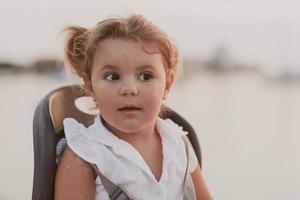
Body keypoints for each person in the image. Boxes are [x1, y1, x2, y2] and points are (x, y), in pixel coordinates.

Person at [55, 14, 213, 200]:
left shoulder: (178, 144)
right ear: (90, 85)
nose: (129, 89)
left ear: (167, 85)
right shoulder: (85, 156)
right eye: (112, 77)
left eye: (145, 76)